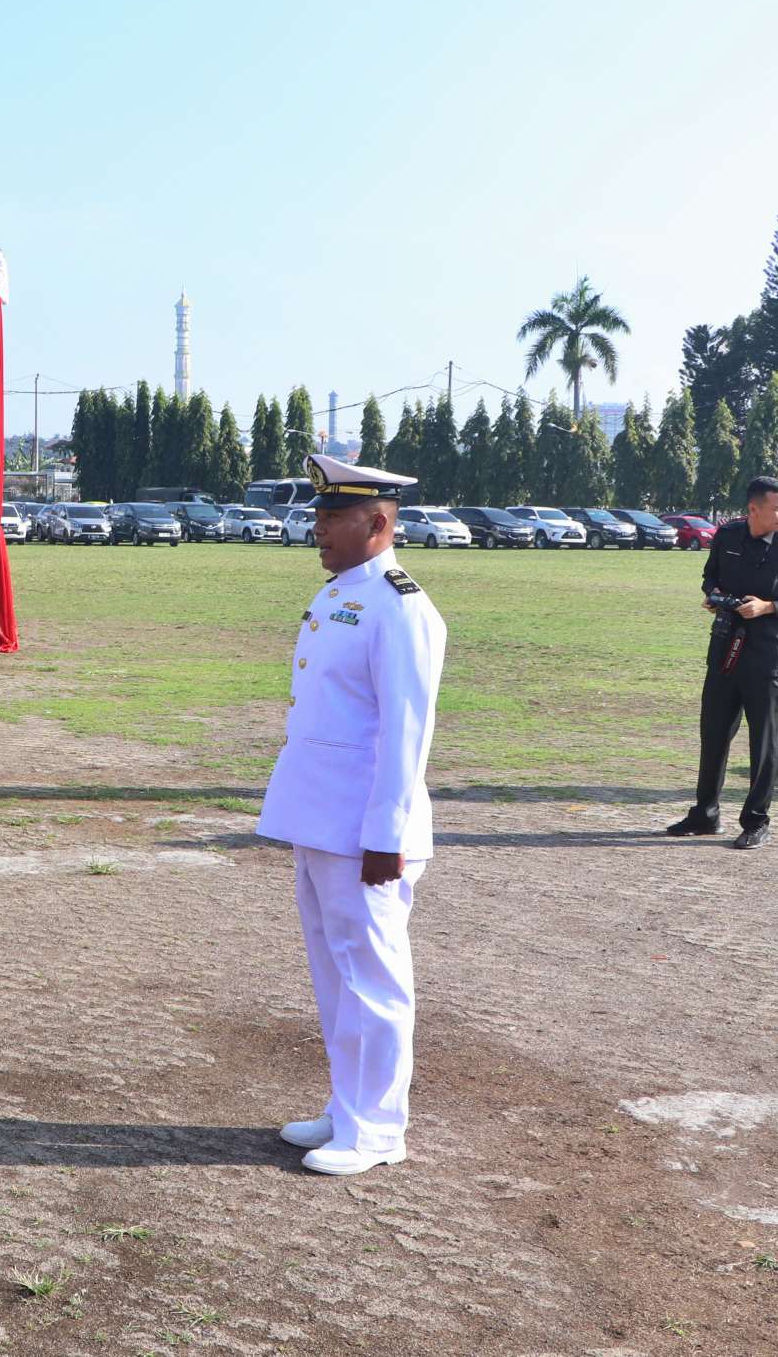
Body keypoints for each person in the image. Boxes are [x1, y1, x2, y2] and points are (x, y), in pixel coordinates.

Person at [256, 454, 446, 1178]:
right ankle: (348, 1107)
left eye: (334, 517)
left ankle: (379, 1129)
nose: (319, 528)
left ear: (378, 523)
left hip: (366, 830)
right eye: (319, 515)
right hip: (321, 817)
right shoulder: (342, 593)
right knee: (336, 976)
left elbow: (406, 733)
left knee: (374, 979)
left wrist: (386, 836)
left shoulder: (401, 608)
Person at [667, 476, 778, 851]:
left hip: (766, 658)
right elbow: (710, 576)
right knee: (713, 735)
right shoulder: (727, 536)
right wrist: (714, 595)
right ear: (753, 509)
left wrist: (769, 607)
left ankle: (756, 821)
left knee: (763, 742)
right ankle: (705, 814)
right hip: (724, 651)